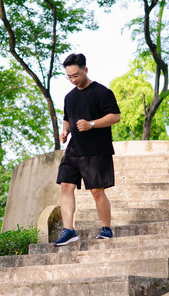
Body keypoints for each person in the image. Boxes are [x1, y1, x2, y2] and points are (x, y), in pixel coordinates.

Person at [54, 53, 121, 246]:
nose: (73, 80)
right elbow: (67, 118)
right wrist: (65, 131)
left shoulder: (102, 92)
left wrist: (92, 124)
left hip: (96, 150)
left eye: (76, 75)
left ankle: (106, 229)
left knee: (96, 191)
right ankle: (68, 230)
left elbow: (115, 117)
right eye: (69, 77)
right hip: (74, 150)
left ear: (85, 69)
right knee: (65, 186)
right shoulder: (69, 97)